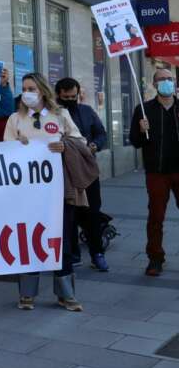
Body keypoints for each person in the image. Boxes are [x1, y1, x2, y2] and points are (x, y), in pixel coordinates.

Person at [5, 72, 87, 312]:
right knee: (28, 238)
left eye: (31, 88)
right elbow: (4, 150)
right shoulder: (15, 119)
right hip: (27, 191)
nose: (26, 93)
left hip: (58, 189)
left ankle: (66, 294)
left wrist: (65, 146)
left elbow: (79, 141)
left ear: (42, 90)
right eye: (24, 88)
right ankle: (27, 294)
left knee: (62, 239)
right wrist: (16, 147)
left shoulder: (60, 115)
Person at [55, 77, 109, 272]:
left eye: (73, 96)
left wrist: (95, 145)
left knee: (92, 213)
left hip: (86, 170)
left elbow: (101, 133)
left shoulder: (86, 111)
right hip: (64, 172)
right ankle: (73, 254)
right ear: (58, 95)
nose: (71, 99)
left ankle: (97, 253)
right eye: (66, 96)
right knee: (69, 214)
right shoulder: (53, 114)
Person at [130, 67, 179, 277]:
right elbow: (135, 141)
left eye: (169, 79)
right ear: (154, 84)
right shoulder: (143, 110)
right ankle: (155, 258)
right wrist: (141, 130)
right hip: (157, 172)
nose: (166, 82)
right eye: (162, 79)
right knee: (156, 216)